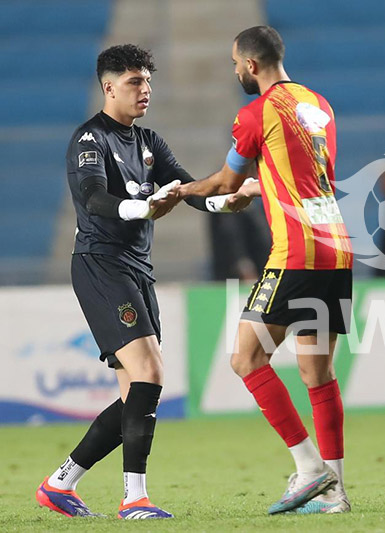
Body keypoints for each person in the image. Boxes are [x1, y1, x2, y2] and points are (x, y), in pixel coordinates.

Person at [36, 44, 243, 520]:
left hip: (138, 269)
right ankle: (135, 499)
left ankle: (59, 483)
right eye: (134, 82)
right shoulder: (89, 140)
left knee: (137, 391)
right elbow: (92, 198)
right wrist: (141, 207)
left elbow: (188, 190)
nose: (145, 90)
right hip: (101, 265)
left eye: (147, 81)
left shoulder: (149, 142)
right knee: (150, 374)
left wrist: (229, 200)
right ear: (109, 87)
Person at [178, 25, 353, 514]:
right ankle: (334, 493)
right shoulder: (319, 104)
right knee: (317, 373)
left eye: (236, 63)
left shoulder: (255, 113)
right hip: (336, 246)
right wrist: (262, 188)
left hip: (296, 250)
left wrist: (182, 189)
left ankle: (310, 467)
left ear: (251, 65)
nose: (236, 70)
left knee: (246, 358)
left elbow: (223, 180)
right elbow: (307, 175)